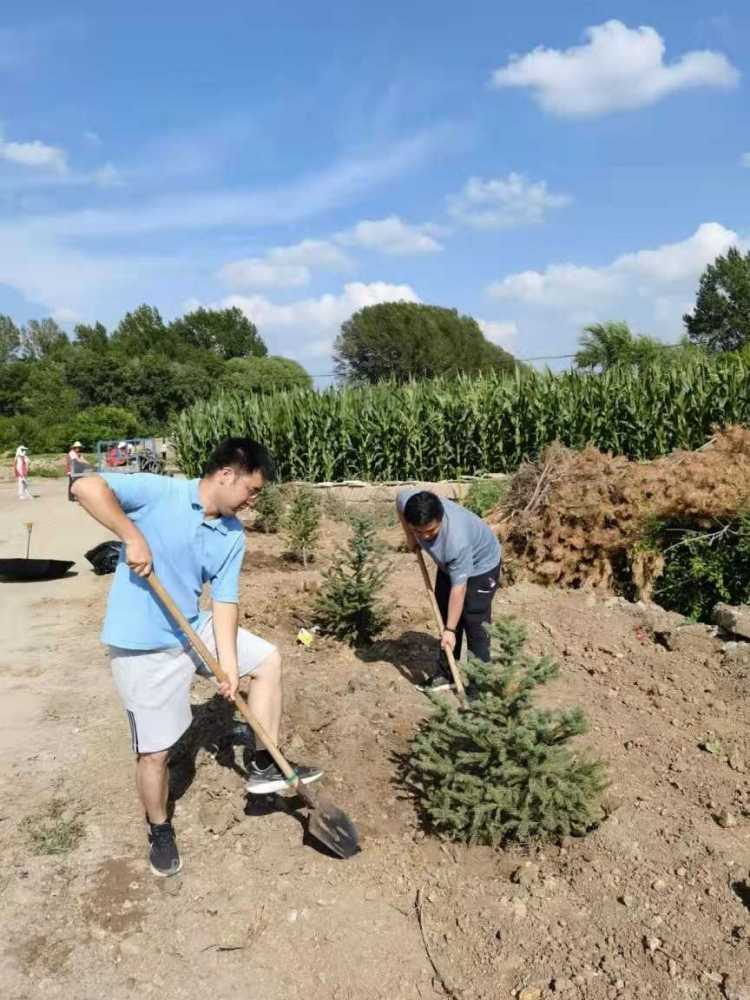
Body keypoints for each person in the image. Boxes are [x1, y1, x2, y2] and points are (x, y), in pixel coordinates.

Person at [72, 437, 322, 878]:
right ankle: (159, 827)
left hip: (192, 624)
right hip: (143, 643)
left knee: (266, 660)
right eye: (252, 490)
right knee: (155, 753)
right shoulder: (158, 492)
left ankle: (264, 763)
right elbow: (84, 487)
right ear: (226, 475)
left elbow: (225, 602)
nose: (252, 501)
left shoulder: (231, 533)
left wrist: (225, 666)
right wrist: (132, 537)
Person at [397, 489, 502, 690]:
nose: (425, 537)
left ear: (441, 518)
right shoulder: (409, 502)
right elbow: (399, 501)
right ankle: (446, 674)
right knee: (444, 610)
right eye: (419, 531)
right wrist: (409, 535)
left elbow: (459, 589)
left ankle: (480, 686)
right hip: (449, 565)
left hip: (482, 566)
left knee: (475, 621)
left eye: (431, 531)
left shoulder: (456, 541)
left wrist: (450, 630)